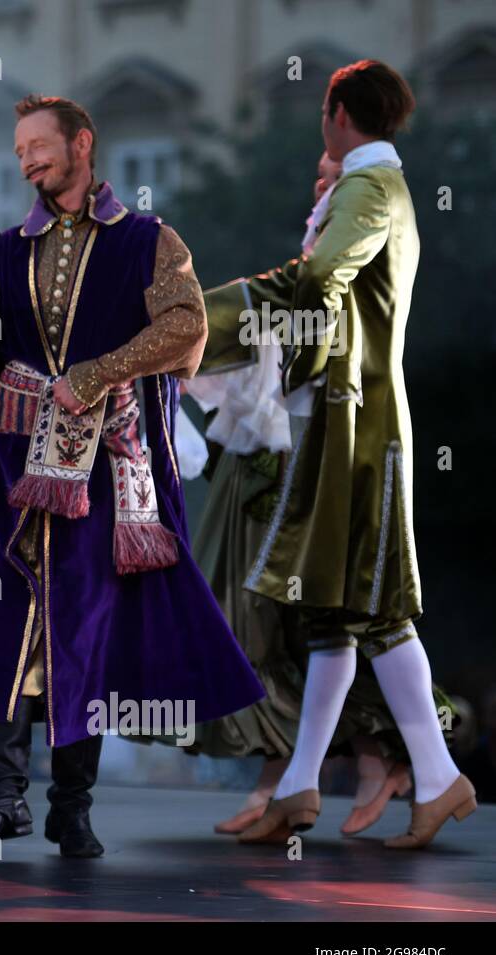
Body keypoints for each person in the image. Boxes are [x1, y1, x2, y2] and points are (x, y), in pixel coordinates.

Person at [0, 94, 264, 858]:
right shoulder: (5, 249)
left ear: (82, 145)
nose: (25, 159)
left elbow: (186, 325)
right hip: (13, 464)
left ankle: (72, 808)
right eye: (18, 148)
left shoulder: (150, 242)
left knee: (84, 630)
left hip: (103, 471)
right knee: (2, 620)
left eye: (38, 145)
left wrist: (97, 373)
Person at [201, 60, 475, 848]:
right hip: (343, 420)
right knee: (339, 611)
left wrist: (212, 316)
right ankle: (321, 783)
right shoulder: (374, 188)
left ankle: (420, 775)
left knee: (363, 607)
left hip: (358, 425)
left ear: (338, 114)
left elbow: (317, 280)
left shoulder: (367, 189)